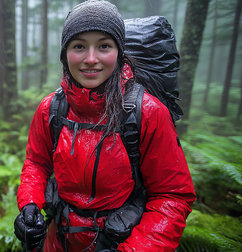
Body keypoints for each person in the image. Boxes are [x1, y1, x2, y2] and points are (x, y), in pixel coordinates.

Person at [14, 1, 196, 251]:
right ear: (65, 54)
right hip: (58, 239)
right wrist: (29, 205)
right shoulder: (51, 109)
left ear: (119, 53)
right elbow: (36, 163)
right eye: (79, 46)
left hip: (124, 242)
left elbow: (172, 196)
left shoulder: (148, 113)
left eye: (104, 46)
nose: (91, 59)